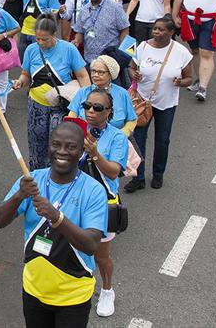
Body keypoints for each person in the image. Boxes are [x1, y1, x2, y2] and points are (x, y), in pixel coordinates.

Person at [0, 119, 108, 328]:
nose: (62, 151)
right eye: (56, 144)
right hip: (33, 289)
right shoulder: (32, 180)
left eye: (71, 146)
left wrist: (57, 218)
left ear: (82, 149)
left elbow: (91, 245)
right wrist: (19, 195)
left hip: (73, 296)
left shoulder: (93, 190)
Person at [12, 15, 90, 170]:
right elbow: (26, 75)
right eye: (38, 39)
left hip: (60, 106)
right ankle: (36, 177)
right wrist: (20, 82)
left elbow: (82, 76)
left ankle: (58, 176)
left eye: (45, 39)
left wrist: (86, 101)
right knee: (36, 143)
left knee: (58, 144)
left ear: (54, 34)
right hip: (36, 105)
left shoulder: (69, 49)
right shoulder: (31, 50)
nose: (40, 43)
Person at [125, 17, 193, 192]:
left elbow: (189, 78)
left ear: (171, 32)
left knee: (162, 140)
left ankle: (158, 174)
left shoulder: (181, 52)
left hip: (166, 103)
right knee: (138, 139)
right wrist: (134, 74)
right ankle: (138, 177)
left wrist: (181, 81)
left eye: (161, 30)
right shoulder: (143, 47)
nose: (156, 32)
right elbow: (131, 67)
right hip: (142, 101)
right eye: (155, 29)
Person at [78, 88, 128, 318]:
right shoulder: (76, 129)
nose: (90, 111)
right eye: (87, 105)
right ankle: (80, 287)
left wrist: (95, 153)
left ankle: (107, 290)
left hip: (103, 203)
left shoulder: (117, 137)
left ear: (108, 112)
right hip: (76, 200)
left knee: (101, 254)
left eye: (97, 108)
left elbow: (114, 172)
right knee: (73, 248)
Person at [67, 55, 136, 136]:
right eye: (93, 71)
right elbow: (72, 117)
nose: (95, 75)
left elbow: (132, 120)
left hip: (115, 140)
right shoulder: (83, 92)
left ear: (110, 74)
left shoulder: (122, 93)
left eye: (100, 72)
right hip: (85, 138)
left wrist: (121, 135)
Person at [73, 0, 130, 65]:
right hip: (89, 59)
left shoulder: (115, 8)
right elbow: (80, 32)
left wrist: (122, 53)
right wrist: (76, 41)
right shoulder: (84, 10)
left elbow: (124, 29)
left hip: (109, 60)